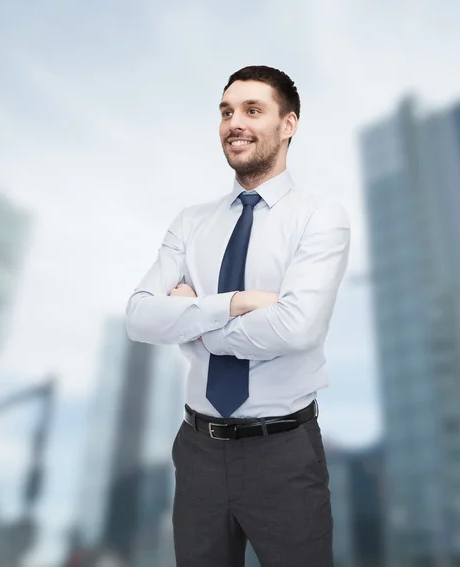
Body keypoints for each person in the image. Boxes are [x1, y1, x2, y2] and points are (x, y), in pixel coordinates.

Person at [125, 65, 351, 567]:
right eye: (227, 112)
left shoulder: (319, 216)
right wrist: (236, 303)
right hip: (198, 451)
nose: (235, 123)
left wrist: (193, 325)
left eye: (253, 110)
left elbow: (297, 327)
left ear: (288, 124)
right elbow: (140, 317)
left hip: (283, 453)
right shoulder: (191, 222)